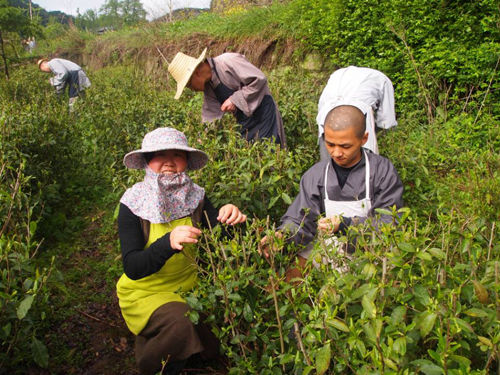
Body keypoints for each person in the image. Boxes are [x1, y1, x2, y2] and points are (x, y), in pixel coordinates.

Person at [116, 127, 247, 375]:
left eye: (177, 155)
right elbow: (132, 267)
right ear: (146, 161)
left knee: (217, 339)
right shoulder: (133, 203)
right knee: (181, 321)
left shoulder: (196, 198)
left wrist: (235, 219)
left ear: (186, 161)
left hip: (191, 288)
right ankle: (152, 362)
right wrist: (167, 243)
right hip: (146, 292)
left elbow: (220, 237)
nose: (169, 162)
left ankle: (171, 342)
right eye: (159, 155)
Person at [261, 105, 403, 273]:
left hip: (370, 251)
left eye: (345, 146)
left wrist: (345, 225)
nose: (336, 153)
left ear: (363, 139)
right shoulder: (316, 175)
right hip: (327, 248)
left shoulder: (381, 171)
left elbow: (389, 224)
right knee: (291, 276)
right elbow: (300, 218)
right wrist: (282, 236)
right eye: (330, 144)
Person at [168, 48, 286, 147]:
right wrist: (203, 138)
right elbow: (211, 116)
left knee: (272, 153)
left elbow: (259, 79)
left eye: (189, 85)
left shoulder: (228, 61)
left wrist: (234, 100)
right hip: (246, 124)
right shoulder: (210, 87)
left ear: (196, 74)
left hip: (265, 115)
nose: (191, 89)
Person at [317, 66, 397, 159]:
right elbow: (386, 123)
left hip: (327, 114)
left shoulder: (338, 74)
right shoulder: (383, 80)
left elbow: (321, 107)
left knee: (329, 164)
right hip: (358, 112)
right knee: (364, 164)